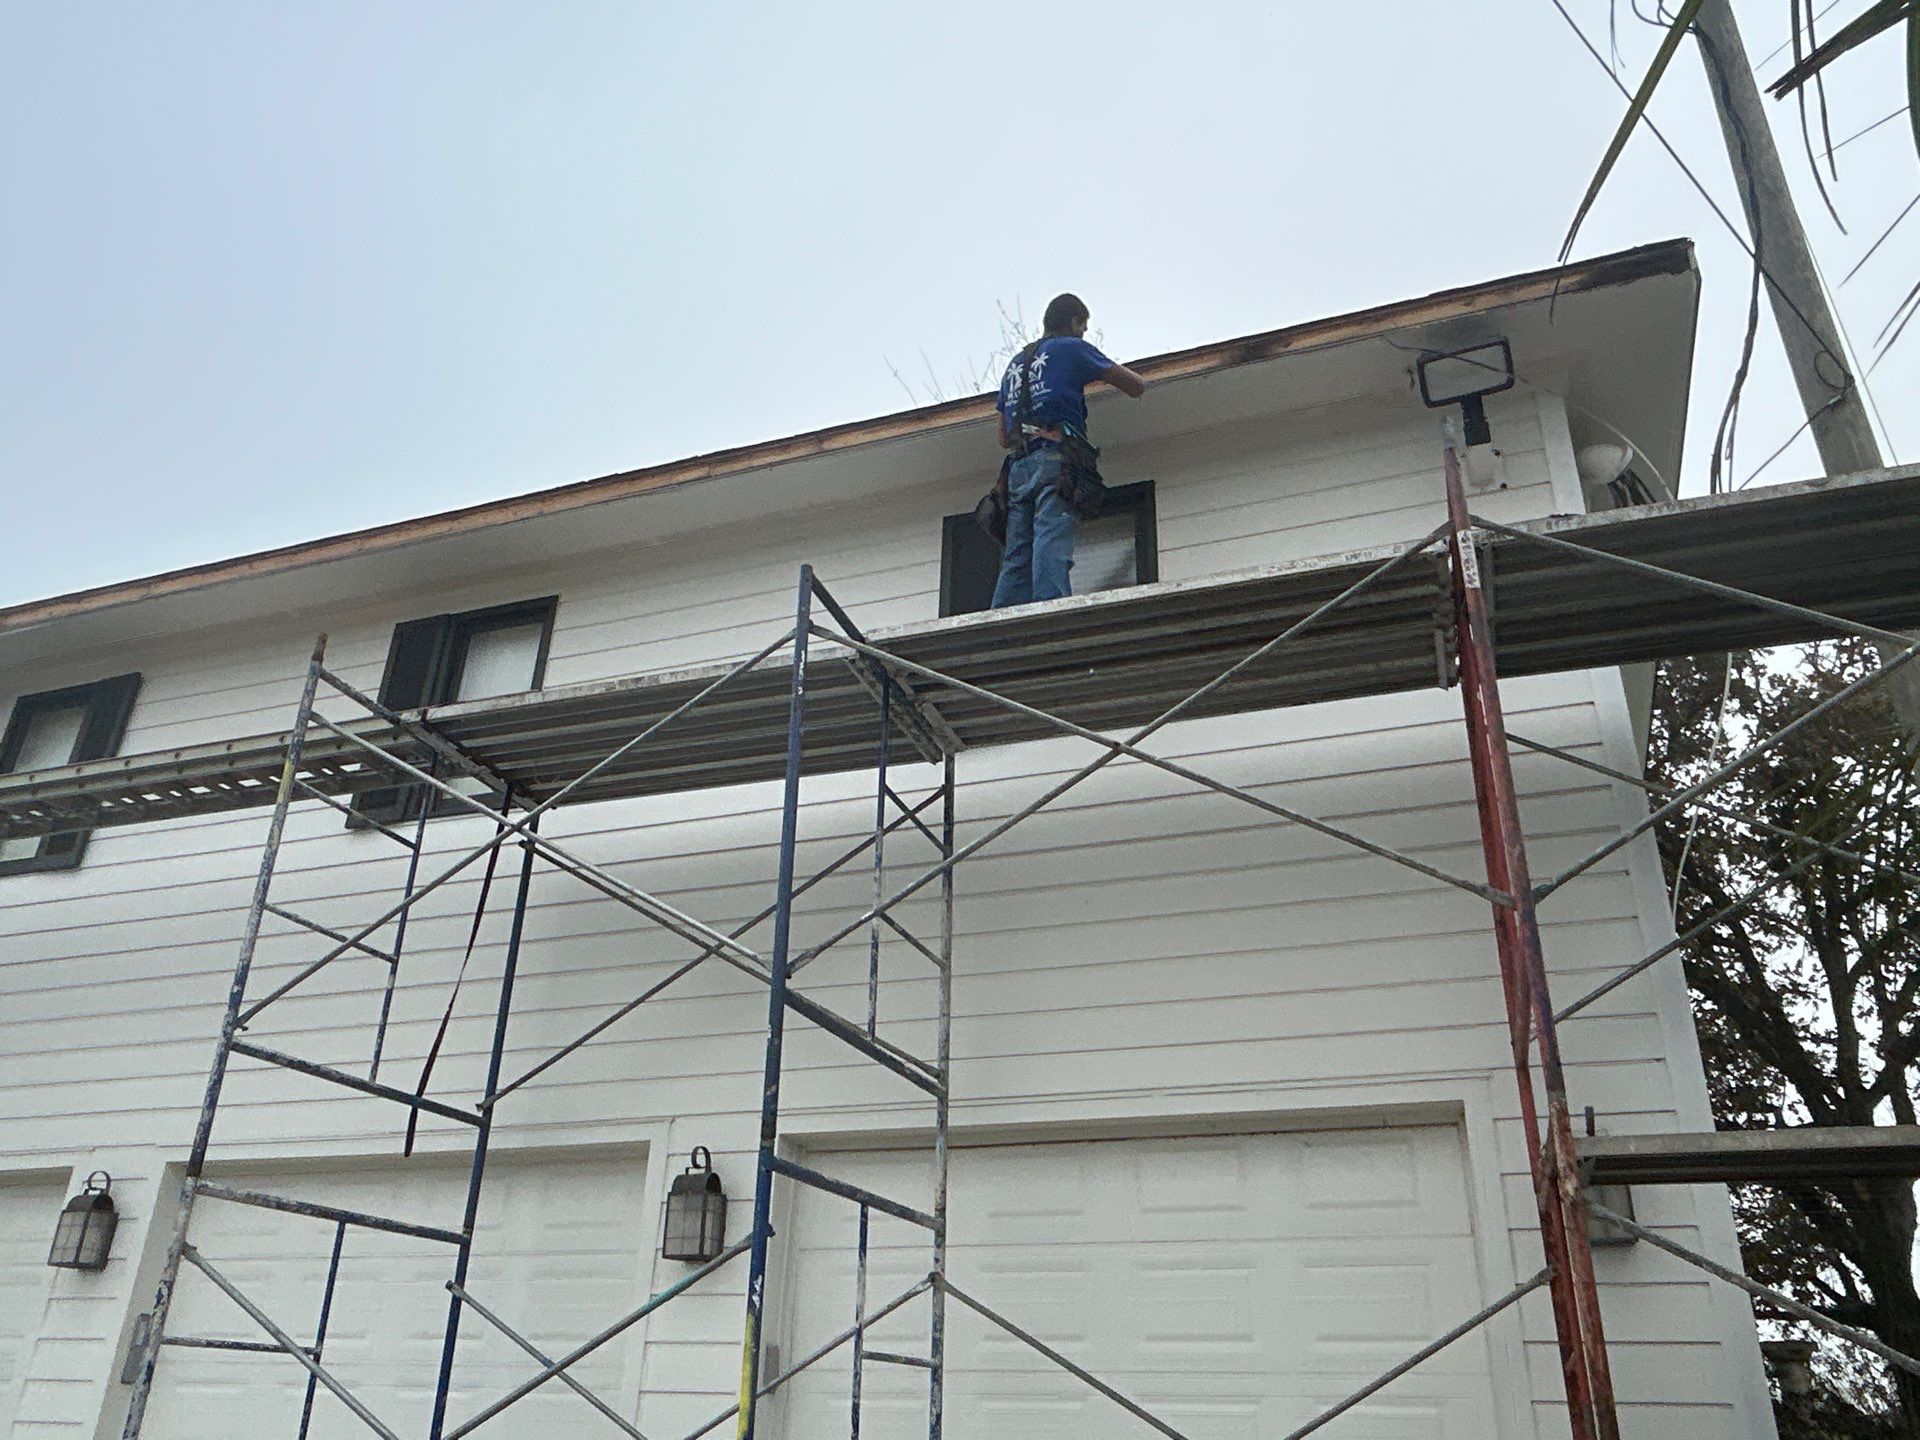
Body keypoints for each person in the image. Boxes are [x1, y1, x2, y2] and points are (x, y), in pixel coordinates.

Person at [990, 294, 1147, 608]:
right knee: (1051, 537)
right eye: (1083, 328)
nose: (1083, 334)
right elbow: (1136, 386)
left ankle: (1001, 620)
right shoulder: (1072, 348)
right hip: (1056, 458)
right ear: (1075, 321)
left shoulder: (1015, 365)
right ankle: (1052, 615)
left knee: (1018, 552)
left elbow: (1004, 437)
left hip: (1019, 465)